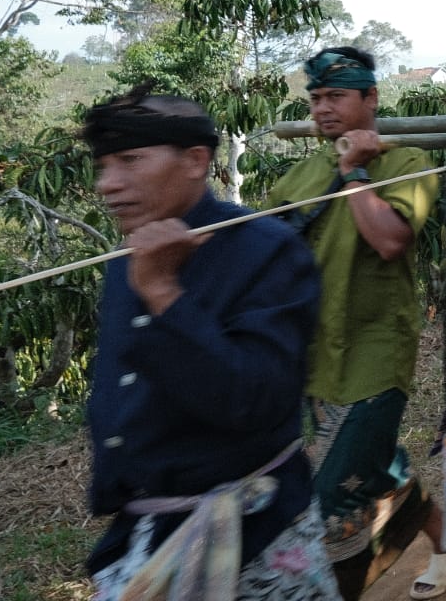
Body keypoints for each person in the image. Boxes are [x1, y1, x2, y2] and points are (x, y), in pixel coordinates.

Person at [83, 86, 337, 600]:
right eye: (104, 164)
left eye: (130, 159)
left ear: (196, 160)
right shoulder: (126, 258)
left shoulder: (268, 252)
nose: (108, 184)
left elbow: (254, 400)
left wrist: (163, 292)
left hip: (257, 538)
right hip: (144, 541)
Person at [266, 47, 446, 601]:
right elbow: (266, 253)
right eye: (316, 98)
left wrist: (354, 172)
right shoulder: (301, 174)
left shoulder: (408, 162)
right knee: (371, 467)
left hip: (375, 351)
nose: (323, 109)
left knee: (326, 499)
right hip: (314, 354)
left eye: (337, 96)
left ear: (371, 98)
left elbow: (390, 241)